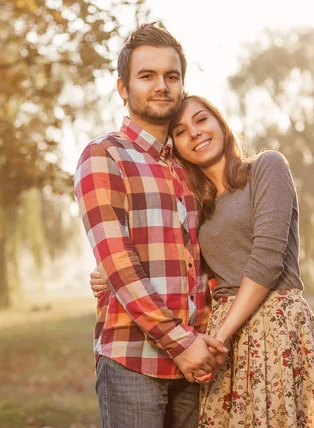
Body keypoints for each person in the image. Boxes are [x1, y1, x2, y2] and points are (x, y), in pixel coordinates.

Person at [91, 94, 314, 427]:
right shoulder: (197, 203)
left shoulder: (266, 168)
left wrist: (217, 339)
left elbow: (267, 261)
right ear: (175, 146)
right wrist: (109, 270)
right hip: (219, 337)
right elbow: (180, 259)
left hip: (272, 325)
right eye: (180, 131)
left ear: (221, 123)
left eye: (201, 119)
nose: (194, 132)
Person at [74, 23, 227, 428]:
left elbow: (211, 253)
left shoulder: (191, 165)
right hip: (132, 364)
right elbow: (119, 263)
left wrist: (203, 343)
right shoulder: (104, 156)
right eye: (147, 76)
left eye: (171, 76)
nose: (162, 85)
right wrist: (181, 344)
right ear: (123, 88)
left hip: (198, 365)